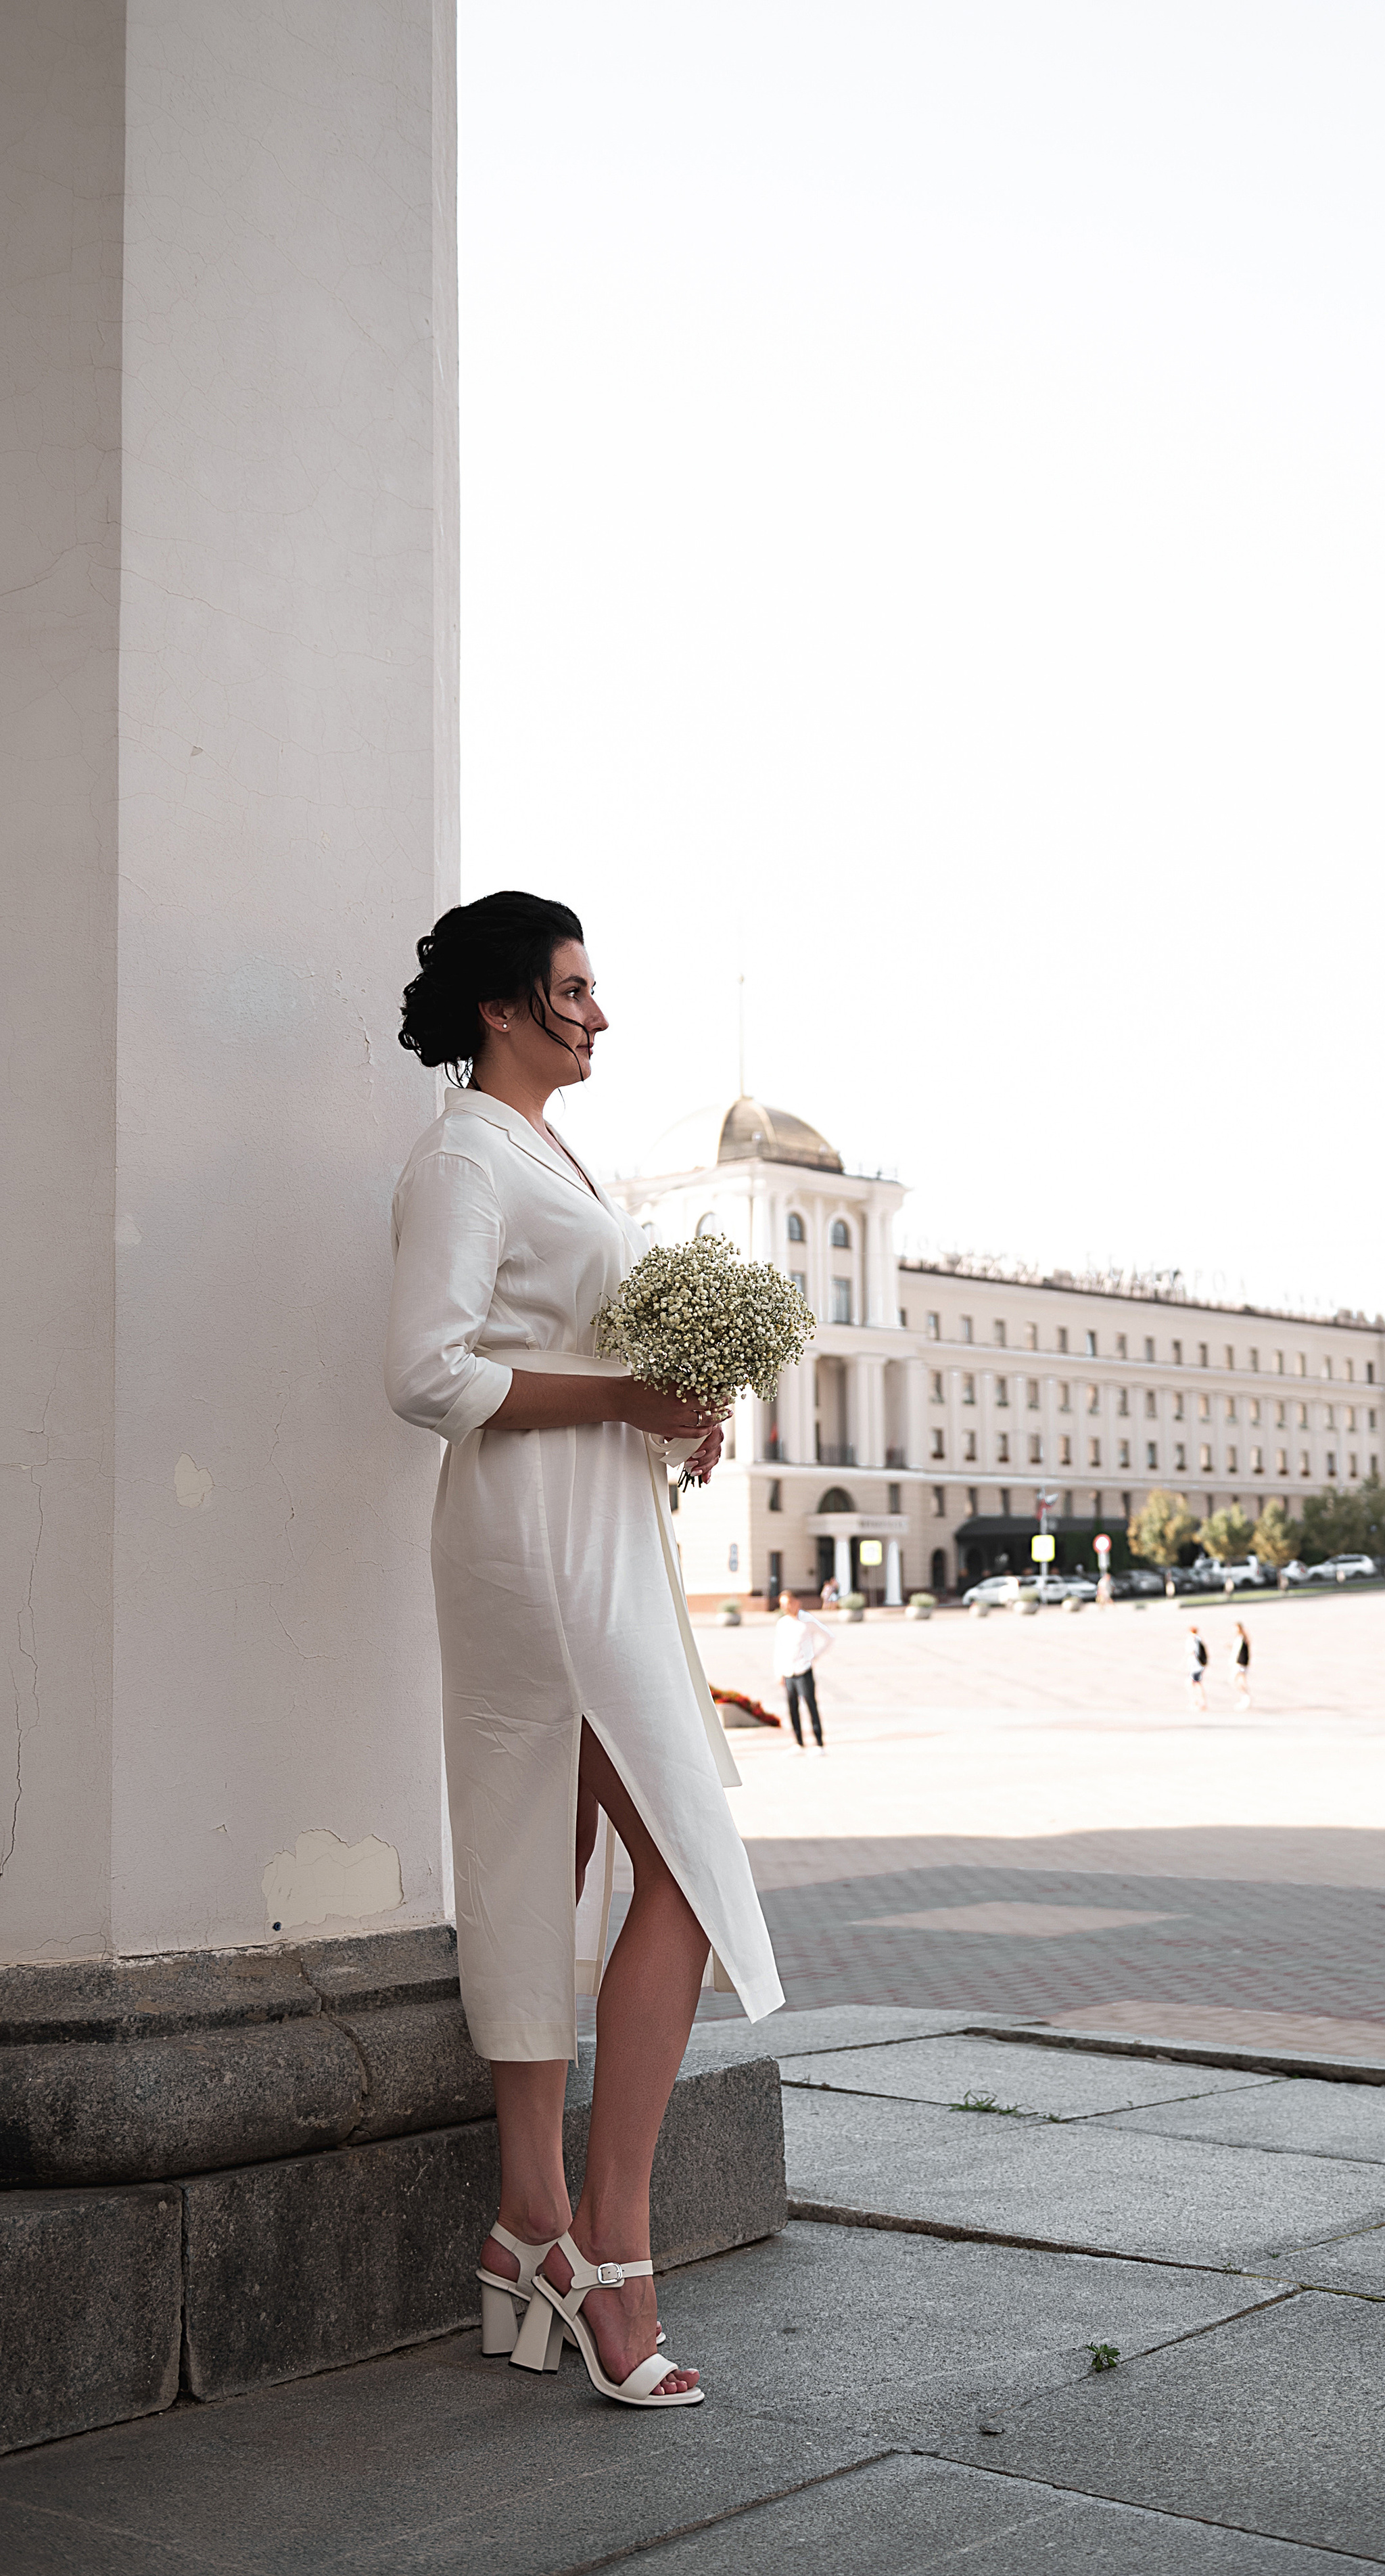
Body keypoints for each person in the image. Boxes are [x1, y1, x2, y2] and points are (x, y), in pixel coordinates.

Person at [387, 892, 784, 2412]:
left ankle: (530, 2219)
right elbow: (424, 1370)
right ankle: (614, 2245)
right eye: (570, 988)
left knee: (537, 1870)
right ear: (501, 1005)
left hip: (592, 1531)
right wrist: (620, 1397)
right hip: (533, 1545)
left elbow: (558, 1348)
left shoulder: (546, 1152)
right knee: (678, 1852)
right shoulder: (463, 1155)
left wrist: (669, 1402)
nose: (597, 1013)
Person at [772, 1590, 831, 1749]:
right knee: (792, 1707)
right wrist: (779, 1672)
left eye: (788, 1603)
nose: (786, 1608)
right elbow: (779, 1648)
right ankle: (798, 1741)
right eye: (783, 1605)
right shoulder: (782, 1623)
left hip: (803, 1669)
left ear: (797, 1602)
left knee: (810, 1704)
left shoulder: (807, 1620)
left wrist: (814, 1656)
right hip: (788, 1671)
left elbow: (828, 1637)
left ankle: (818, 1742)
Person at [1187, 1624, 1209, 1711]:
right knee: (1196, 1683)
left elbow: (1192, 1651)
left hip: (1195, 1666)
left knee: (1193, 1684)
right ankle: (1201, 1702)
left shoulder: (1192, 1639)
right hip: (1199, 1665)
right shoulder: (1199, 1639)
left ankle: (1197, 1702)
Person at [1233, 1621, 1252, 1710]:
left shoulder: (1241, 1638)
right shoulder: (1244, 1637)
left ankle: (1246, 1697)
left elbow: (1237, 1651)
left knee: (1236, 1680)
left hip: (1240, 1663)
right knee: (1240, 1680)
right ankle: (1245, 1698)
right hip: (1243, 1662)